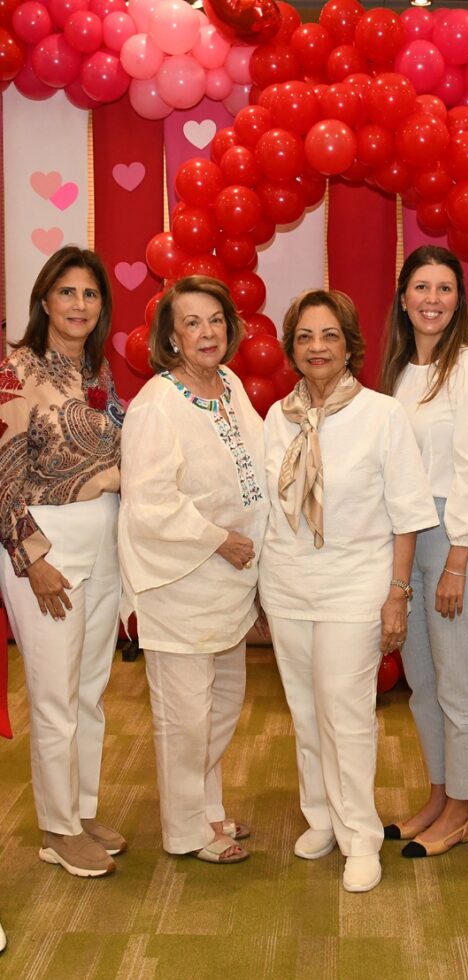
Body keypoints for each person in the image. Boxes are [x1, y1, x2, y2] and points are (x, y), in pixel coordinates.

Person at [259, 288, 437, 893]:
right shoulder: (275, 418)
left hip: (354, 587)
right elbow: (264, 509)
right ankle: (324, 818)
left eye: (329, 335)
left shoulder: (382, 415)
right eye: (305, 336)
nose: (316, 347)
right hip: (286, 585)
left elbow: (408, 512)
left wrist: (397, 593)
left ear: (349, 345)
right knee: (306, 713)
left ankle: (361, 837)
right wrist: (259, 589)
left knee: (346, 713)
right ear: (292, 347)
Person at [119, 275, 269, 865]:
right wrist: (218, 541)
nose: (206, 333)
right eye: (191, 323)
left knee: (222, 705)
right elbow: (150, 501)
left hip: (230, 583)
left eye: (215, 320)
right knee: (184, 717)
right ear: (172, 338)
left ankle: (206, 809)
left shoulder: (229, 385)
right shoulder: (157, 403)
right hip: (180, 582)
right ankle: (184, 830)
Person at [0, 246, 125, 877]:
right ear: (44, 299)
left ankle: (81, 808)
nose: (80, 305)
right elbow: (3, 470)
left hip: (103, 545)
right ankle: (54, 828)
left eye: (91, 294)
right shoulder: (16, 370)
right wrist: (33, 559)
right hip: (45, 548)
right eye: (68, 292)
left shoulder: (99, 370)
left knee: (89, 691)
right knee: (53, 696)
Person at [380, 245, 468, 859]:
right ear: (403, 298)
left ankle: (462, 812)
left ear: (460, 299)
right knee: (422, 683)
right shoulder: (399, 372)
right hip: (407, 540)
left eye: (445, 289)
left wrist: (458, 558)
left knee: (458, 683)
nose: (432, 299)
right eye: (422, 288)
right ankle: (438, 796)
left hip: (459, 539)